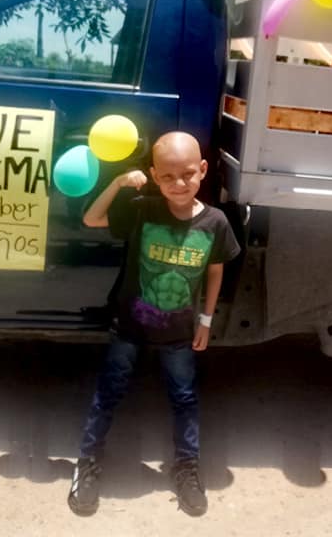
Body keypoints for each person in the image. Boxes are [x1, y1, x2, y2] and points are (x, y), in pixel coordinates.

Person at [68, 131, 241, 517]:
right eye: (167, 176)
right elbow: (91, 217)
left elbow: (215, 271)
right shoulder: (143, 209)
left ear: (203, 170)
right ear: (153, 175)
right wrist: (117, 182)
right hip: (129, 326)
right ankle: (87, 463)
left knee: (184, 398)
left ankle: (187, 468)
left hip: (180, 333)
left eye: (187, 174)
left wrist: (206, 321)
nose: (178, 184)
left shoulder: (215, 222)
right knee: (108, 393)